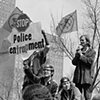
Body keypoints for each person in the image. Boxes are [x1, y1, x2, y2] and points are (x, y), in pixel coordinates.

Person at [72, 35, 96, 100]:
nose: (81, 41)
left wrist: (81, 55)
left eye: (82, 40)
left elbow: (89, 61)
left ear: (87, 41)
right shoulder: (79, 51)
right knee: (77, 96)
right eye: (80, 40)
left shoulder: (92, 52)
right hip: (78, 78)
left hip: (86, 78)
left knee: (87, 97)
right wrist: (77, 54)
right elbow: (74, 62)